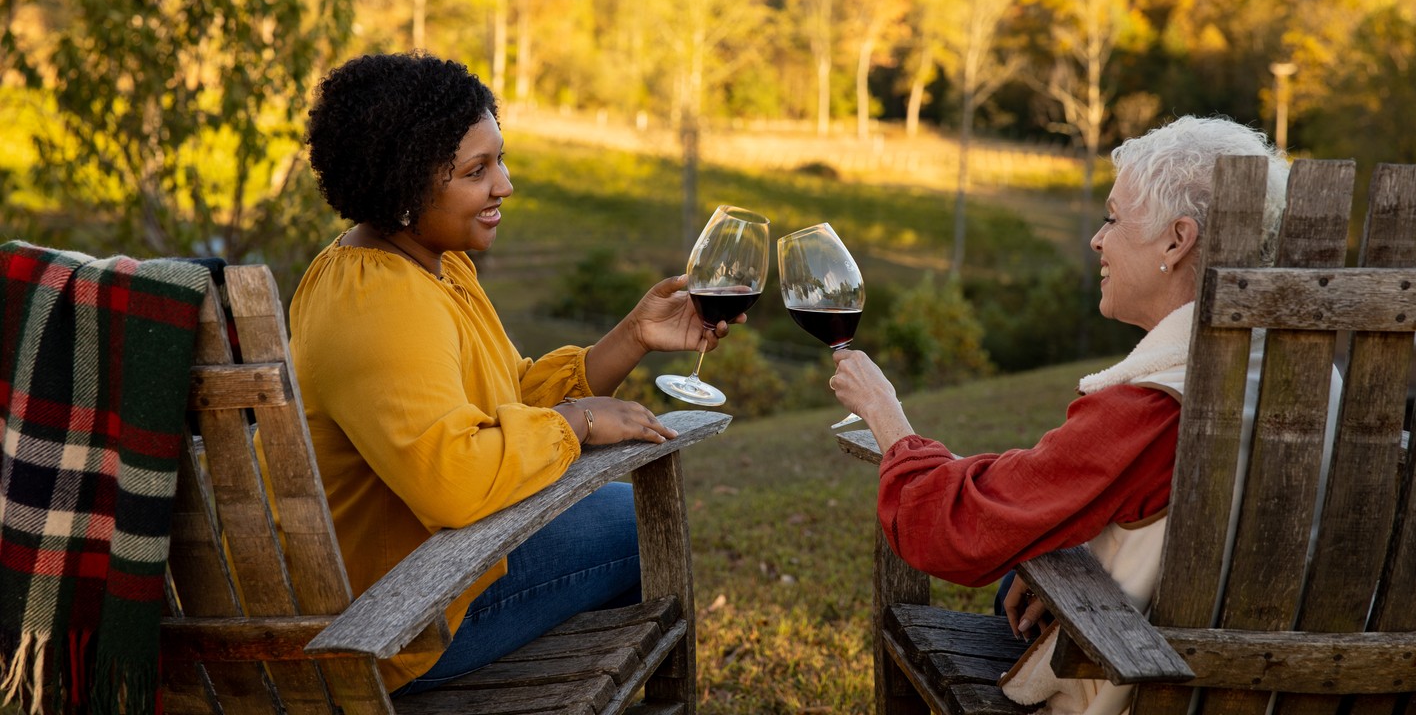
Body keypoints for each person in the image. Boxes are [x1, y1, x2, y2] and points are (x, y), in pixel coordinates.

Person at [291, 51, 734, 695]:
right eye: (477, 170)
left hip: (440, 569)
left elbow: (510, 395)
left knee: (617, 510)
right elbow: (453, 478)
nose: (505, 185)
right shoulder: (380, 306)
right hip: (395, 621)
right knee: (640, 528)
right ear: (406, 188)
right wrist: (577, 422)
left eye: (498, 158)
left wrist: (634, 335)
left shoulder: (422, 264)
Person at [828, 115, 1292, 715]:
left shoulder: (1153, 405)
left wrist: (885, 415)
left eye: (1114, 218)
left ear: (1177, 241)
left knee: (1000, 594)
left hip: (1143, 685)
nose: (1098, 239)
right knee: (1013, 585)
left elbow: (955, 528)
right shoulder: (1304, 375)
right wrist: (1059, 550)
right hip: (1281, 691)